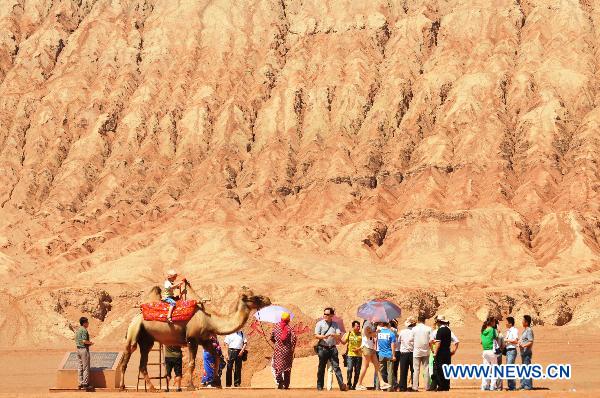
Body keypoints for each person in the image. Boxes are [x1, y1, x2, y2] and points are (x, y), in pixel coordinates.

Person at [314, 307, 348, 391]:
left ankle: (342, 385)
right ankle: (319, 386)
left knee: (336, 367)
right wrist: (323, 336)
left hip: (332, 348)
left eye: (327, 314)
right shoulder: (319, 324)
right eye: (324, 313)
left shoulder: (335, 324)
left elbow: (339, 334)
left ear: (332, 315)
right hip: (322, 348)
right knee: (321, 368)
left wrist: (334, 335)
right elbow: (316, 335)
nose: (325, 315)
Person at [356, 320, 390, 391]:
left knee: (377, 365)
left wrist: (376, 332)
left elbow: (372, 335)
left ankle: (382, 383)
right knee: (365, 366)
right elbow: (367, 335)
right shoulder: (367, 323)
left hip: (371, 347)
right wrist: (376, 332)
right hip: (366, 347)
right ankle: (358, 384)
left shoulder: (372, 324)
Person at [271, 312, 297, 389]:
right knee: (287, 368)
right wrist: (292, 348)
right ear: (288, 319)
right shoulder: (290, 328)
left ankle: (280, 381)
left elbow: (272, 337)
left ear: (281, 318)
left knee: (277, 366)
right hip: (287, 351)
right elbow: (294, 339)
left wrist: (276, 343)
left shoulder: (276, 327)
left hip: (278, 350)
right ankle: (286, 384)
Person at [431, 316, 457, 391]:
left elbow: (438, 343)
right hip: (447, 352)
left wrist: (435, 353)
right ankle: (446, 386)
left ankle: (441, 386)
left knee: (440, 369)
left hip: (441, 352)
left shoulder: (440, 330)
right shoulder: (448, 330)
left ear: (439, 322)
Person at [412, 314, 432, 391]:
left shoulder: (414, 329)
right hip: (426, 351)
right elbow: (431, 340)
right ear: (424, 320)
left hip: (416, 351)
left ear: (418, 320)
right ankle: (427, 387)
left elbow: (411, 339)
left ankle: (415, 387)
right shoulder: (428, 329)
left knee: (416, 370)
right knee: (426, 369)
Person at [341, 320, 363, 390]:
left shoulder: (361, 334)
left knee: (357, 371)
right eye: (357, 326)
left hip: (359, 356)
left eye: (359, 326)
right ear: (353, 326)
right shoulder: (349, 333)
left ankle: (355, 385)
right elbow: (344, 342)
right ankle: (349, 384)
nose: (359, 327)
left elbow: (364, 345)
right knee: (349, 369)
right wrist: (339, 338)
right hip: (350, 355)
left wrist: (358, 349)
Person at [376, 321, 397, 392]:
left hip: (381, 354)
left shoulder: (379, 333)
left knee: (380, 371)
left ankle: (378, 387)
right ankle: (389, 388)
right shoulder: (391, 333)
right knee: (390, 372)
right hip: (389, 354)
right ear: (388, 324)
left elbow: (377, 342)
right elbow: (393, 345)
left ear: (382, 324)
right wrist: (394, 355)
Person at [75, 316, 93, 390]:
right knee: (86, 367)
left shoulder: (78, 330)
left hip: (78, 349)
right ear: (84, 323)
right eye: (87, 322)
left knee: (80, 367)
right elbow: (84, 341)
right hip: (83, 349)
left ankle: (80, 383)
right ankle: (85, 384)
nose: (88, 324)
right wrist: (90, 343)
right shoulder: (84, 330)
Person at [398, 316, 415, 391]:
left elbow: (398, 341)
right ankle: (413, 386)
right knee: (413, 370)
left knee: (403, 371)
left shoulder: (402, 332)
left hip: (404, 353)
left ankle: (402, 386)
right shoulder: (415, 332)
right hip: (413, 353)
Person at [481, 316, 498, 391]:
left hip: (485, 351)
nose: (495, 323)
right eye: (494, 322)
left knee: (486, 369)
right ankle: (492, 386)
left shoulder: (483, 331)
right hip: (492, 351)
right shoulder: (492, 330)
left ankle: (484, 386)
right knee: (494, 368)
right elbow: (496, 337)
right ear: (491, 322)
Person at [519, 315, 534, 390]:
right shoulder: (525, 330)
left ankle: (528, 386)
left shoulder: (529, 330)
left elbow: (531, 341)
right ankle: (523, 384)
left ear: (526, 322)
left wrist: (523, 345)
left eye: (523, 320)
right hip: (523, 353)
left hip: (527, 352)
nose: (522, 322)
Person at [504, 316, 519, 391]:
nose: (505, 323)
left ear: (510, 323)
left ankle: (513, 387)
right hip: (508, 351)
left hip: (512, 350)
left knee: (510, 368)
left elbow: (516, 341)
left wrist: (507, 340)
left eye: (506, 322)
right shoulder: (508, 331)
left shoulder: (514, 330)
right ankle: (510, 386)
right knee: (508, 368)